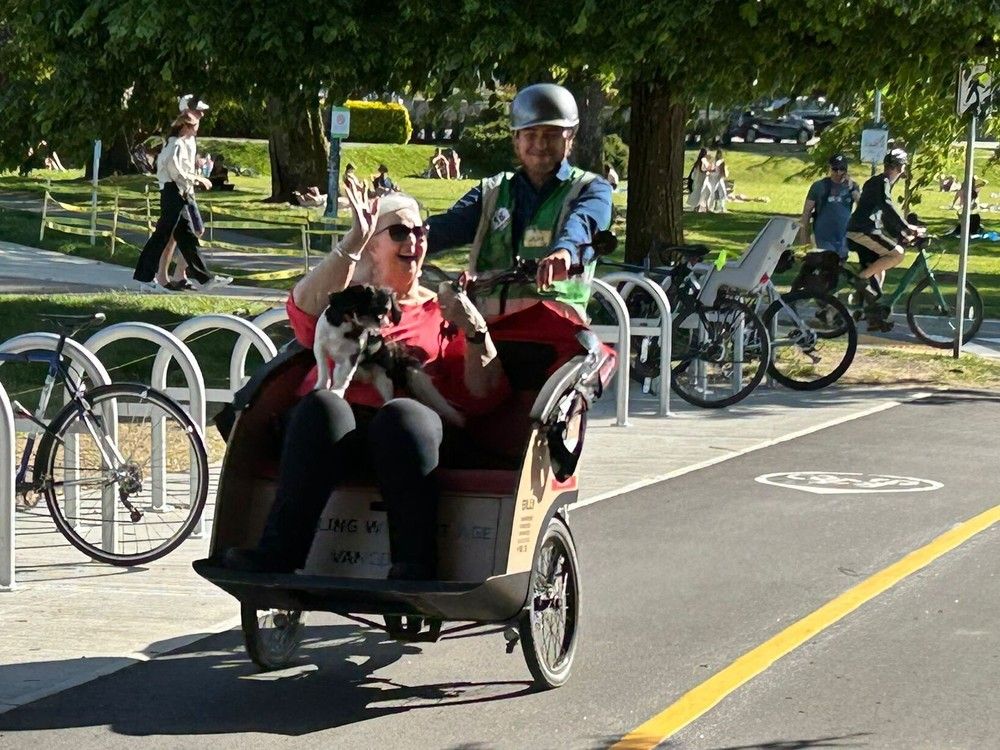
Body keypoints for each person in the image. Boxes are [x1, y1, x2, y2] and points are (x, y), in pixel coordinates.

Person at [223, 186, 508, 579]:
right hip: (331, 435)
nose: (413, 241)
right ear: (372, 247)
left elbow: (485, 394)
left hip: (408, 438)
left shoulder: (442, 307)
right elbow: (303, 315)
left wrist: (476, 331)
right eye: (398, 232)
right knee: (324, 404)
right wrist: (353, 238)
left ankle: (414, 566)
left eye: (420, 232)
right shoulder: (347, 299)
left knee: (401, 414)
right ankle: (276, 557)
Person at [426, 82, 613, 323]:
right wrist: (401, 234)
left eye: (552, 134)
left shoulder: (590, 189)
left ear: (571, 138)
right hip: (488, 336)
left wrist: (564, 252)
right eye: (530, 134)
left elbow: (584, 225)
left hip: (558, 337)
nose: (540, 144)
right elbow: (444, 228)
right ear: (516, 139)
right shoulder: (493, 191)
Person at [132, 109, 232, 292]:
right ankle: (145, 278)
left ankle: (205, 278)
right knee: (161, 236)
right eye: (194, 126)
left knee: (187, 237)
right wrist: (198, 178)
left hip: (179, 193)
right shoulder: (175, 144)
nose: (197, 129)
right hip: (172, 192)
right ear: (185, 127)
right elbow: (175, 171)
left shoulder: (181, 143)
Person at [846, 148, 925, 331]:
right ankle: (861, 278)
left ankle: (869, 315)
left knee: (880, 271)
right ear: (901, 168)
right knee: (897, 255)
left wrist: (900, 233)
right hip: (862, 231)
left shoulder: (878, 183)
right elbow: (887, 207)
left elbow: (882, 214)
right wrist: (906, 228)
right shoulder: (882, 182)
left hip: (864, 230)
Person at [798, 153, 860, 259]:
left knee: (840, 263)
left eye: (842, 169)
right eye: (835, 169)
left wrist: (853, 190)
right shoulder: (819, 186)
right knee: (827, 262)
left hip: (843, 235)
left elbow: (862, 208)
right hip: (824, 234)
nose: (838, 172)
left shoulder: (852, 186)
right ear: (830, 168)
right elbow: (806, 212)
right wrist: (804, 236)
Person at [707, 148, 728, 213]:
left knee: (722, 192)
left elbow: (722, 171)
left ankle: (722, 208)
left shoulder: (721, 161)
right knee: (712, 193)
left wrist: (722, 175)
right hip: (713, 178)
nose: (719, 155)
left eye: (720, 154)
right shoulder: (714, 161)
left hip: (719, 178)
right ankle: (710, 207)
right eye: (719, 154)